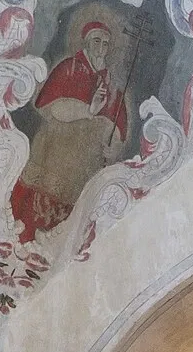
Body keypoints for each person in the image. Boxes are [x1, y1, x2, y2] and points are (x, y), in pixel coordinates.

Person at [10, 15, 130, 240]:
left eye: (105, 44)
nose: (101, 48)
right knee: (34, 211)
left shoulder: (110, 83)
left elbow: (119, 124)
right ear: (85, 42)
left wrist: (113, 145)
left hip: (84, 165)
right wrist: (88, 110)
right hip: (54, 154)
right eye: (96, 41)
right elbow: (50, 106)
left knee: (67, 226)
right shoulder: (69, 67)